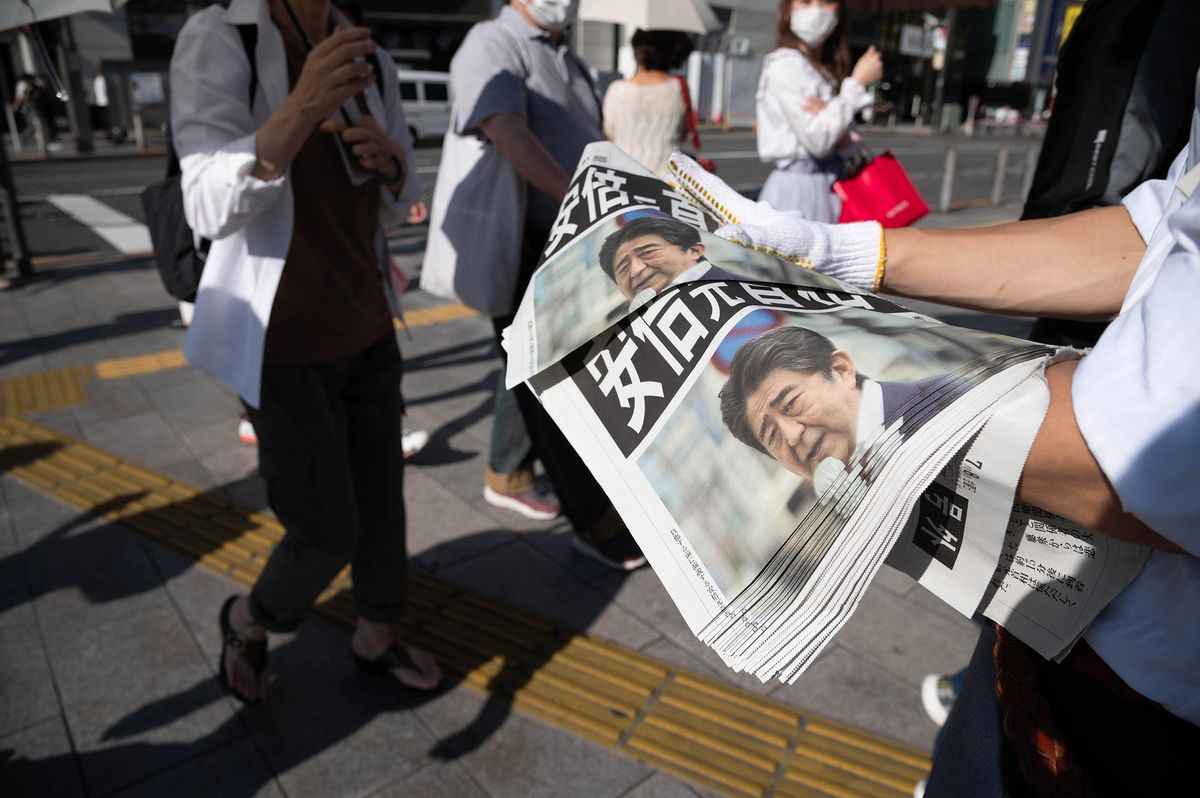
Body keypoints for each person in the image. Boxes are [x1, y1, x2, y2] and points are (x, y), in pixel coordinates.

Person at [672, 58, 1200, 787]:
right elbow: (1162, 226)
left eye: (789, 411)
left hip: (1155, 706)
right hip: (1043, 638)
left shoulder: (884, 418)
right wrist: (848, 251)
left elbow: (1140, 460)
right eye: (772, 436)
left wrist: (884, 435)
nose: (791, 440)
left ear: (842, 371)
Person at [171, 0, 442, 704]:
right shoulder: (219, 36)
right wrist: (298, 107)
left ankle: (376, 630)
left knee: (382, 501)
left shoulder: (364, 47)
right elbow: (204, 202)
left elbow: (396, 193)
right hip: (281, 339)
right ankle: (252, 619)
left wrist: (392, 167)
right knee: (325, 528)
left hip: (368, 321)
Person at [450, 0, 645, 569]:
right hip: (530, 242)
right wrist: (578, 199)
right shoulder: (493, 42)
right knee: (557, 383)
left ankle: (507, 473)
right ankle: (592, 519)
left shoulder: (566, 54)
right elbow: (504, 129)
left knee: (529, 368)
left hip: (572, 241)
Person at [718, 325, 948, 494]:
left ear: (841, 370)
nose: (792, 435)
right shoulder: (850, 524)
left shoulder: (948, 403)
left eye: (791, 404)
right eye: (772, 435)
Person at [756, 0, 882, 221]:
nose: (815, 10)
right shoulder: (786, 64)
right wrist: (856, 85)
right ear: (786, 11)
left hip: (827, 185)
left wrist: (834, 116)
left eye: (826, 2)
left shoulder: (819, 69)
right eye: (805, 1)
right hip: (799, 190)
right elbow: (818, 139)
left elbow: (840, 138)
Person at [602, 29, 694, 179]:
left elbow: (610, 135)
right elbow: (683, 134)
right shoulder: (678, 88)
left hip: (623, 178)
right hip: (667, 181)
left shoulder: (616, 89)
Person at [597, 215, 737, 302]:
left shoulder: (740, 293)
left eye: (647, 252)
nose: (636, 270)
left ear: (694, 251)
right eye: (623, 267)